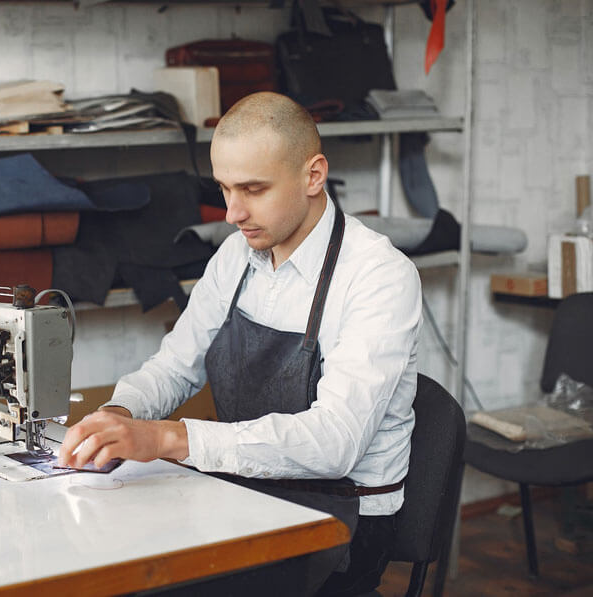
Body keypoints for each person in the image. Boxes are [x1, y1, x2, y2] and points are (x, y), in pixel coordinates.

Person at [58, 92, 422, 596]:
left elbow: (334, 443)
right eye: (225, 189)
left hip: (342, 522)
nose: (232, 213)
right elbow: (176, 364)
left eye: (253, 189)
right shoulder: (237, 255)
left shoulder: (379, 277)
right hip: (243, 491)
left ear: (314, 175)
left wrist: (167, 439)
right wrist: (122, 411)